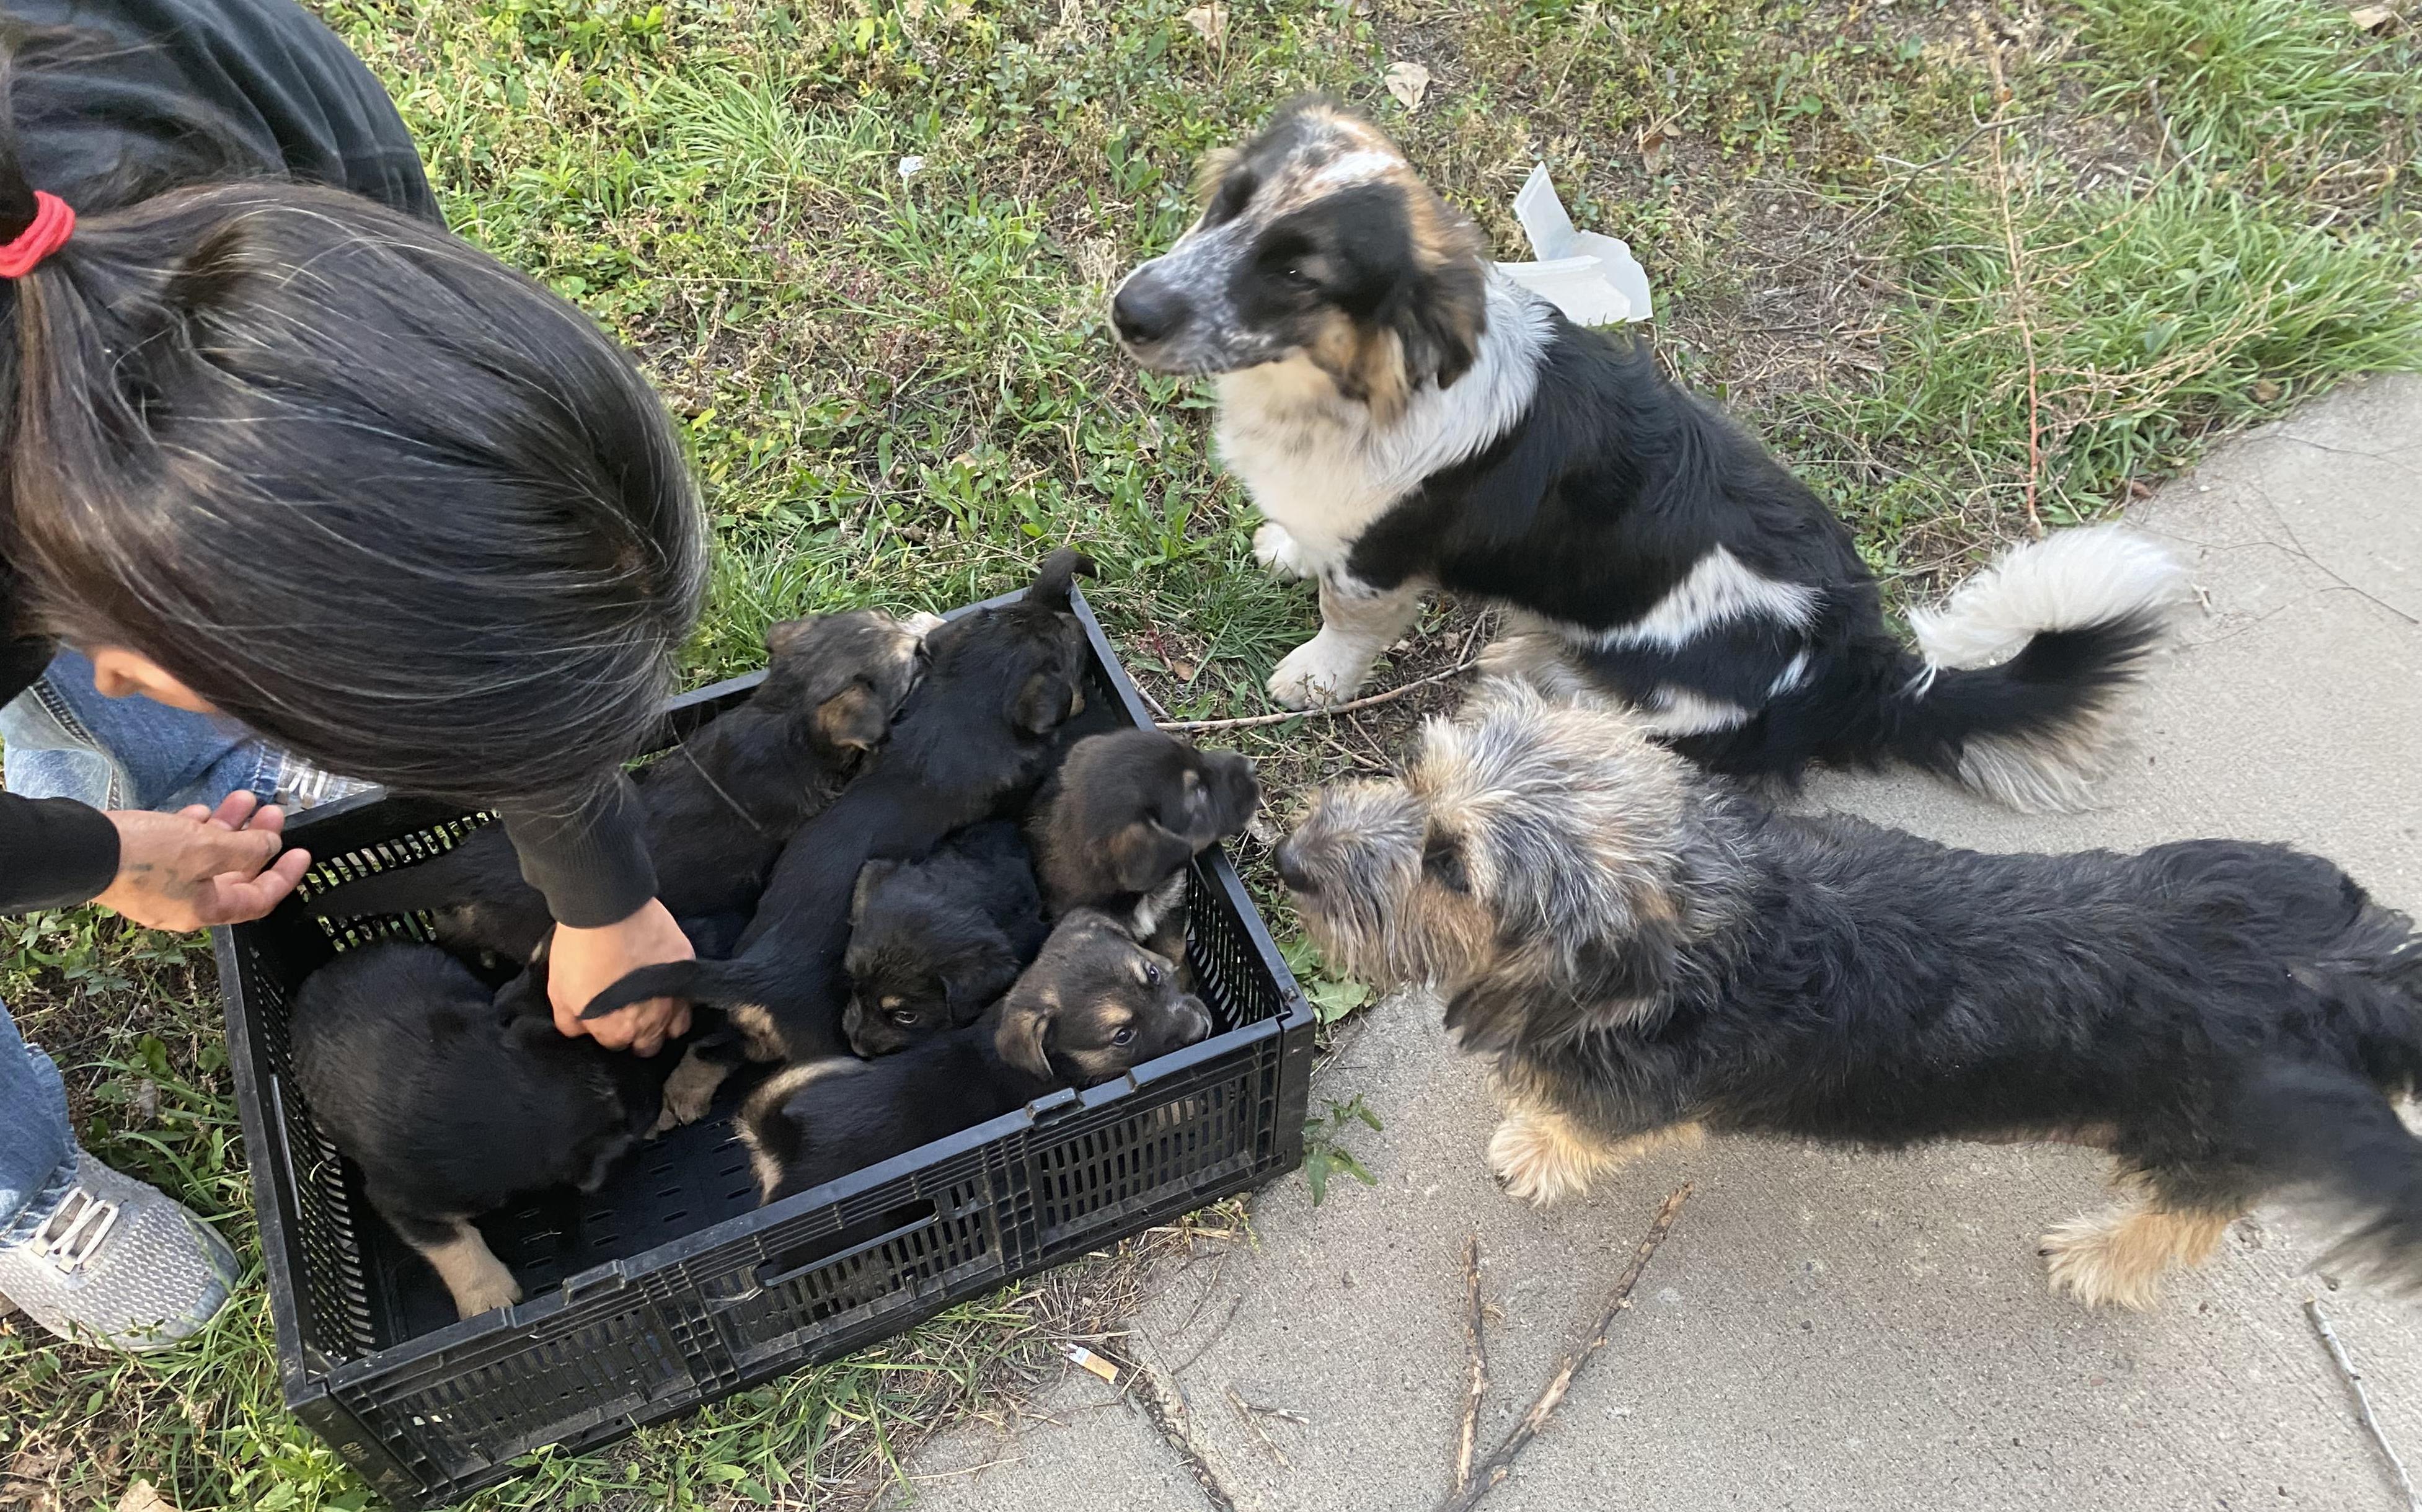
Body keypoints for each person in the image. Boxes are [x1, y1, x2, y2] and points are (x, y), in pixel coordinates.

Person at [0, 0, 708, 1351]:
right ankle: (15, 1178)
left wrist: (600, 887)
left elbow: (482, 555)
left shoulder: (242, 91)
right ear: (149, 665)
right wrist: (98, 852)